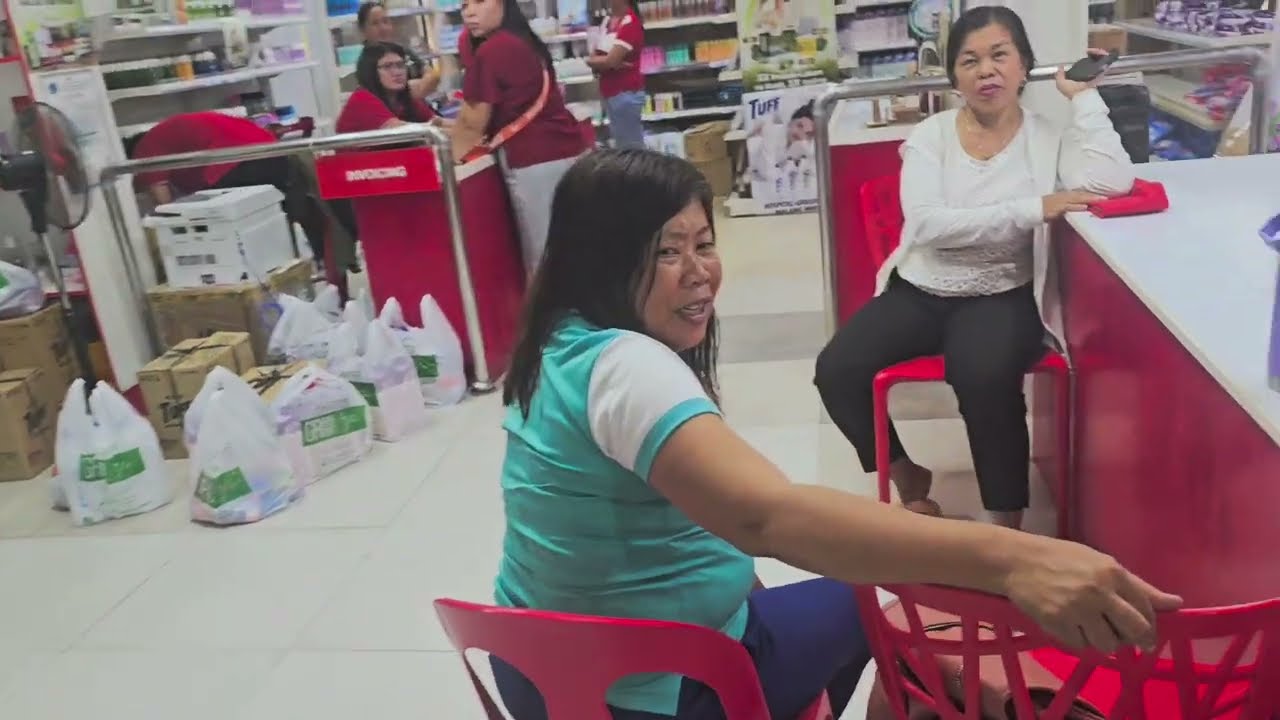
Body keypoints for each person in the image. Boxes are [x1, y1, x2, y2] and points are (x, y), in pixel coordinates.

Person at [488, 149, 1176, 720]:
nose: (700, 272)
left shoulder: (554, 346)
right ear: (604, 261)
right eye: (668, 252)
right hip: (651, 693)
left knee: (834, 605)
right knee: (860, 600)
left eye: (704, 243)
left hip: (537, 674)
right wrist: (1016, 559)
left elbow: (716, 523)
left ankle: (943, 682)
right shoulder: (628, 367)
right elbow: (768, 516)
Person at [813, 6, 1135, 530]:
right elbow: (929, 225)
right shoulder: (931, 136)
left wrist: (1085, 97)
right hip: (920, 288)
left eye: (999, 55)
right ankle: (905, 474)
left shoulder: (1047, 136)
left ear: (1023, 63)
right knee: (837, 371)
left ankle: (1005, 525)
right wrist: (1036, 207)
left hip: (1002, 292)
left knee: (984, 378)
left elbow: (1109, 182)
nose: (986, 70)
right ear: (955, 78)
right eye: (970, 61)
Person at [453, 0, 587, 277]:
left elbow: (471, 123)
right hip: (570, 152)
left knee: (544, 258)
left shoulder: (493, 49)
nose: (470, 12)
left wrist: (447, 164)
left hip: (534, 162)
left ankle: (556, 319)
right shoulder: (524, 40)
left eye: (479, 2)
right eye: (464, 5)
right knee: (577, 245)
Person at [125, 112, 334, 262]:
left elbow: (167, 207)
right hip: (270, 151)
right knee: (273, 218)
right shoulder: (170, 135)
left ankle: (255, 271)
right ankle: (308, 263)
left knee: (234, 230)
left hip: (236, 161)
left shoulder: (144, 150)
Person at [336, 42, 438, 133]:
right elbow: (400, 130)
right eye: (387, 66)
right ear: (371, 72)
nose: (397, 72)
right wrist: (439, 125)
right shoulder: (362, 98)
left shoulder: (402, 97)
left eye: (400, 65)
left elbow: (436, 121)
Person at [586, 0, 646, 149]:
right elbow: (596, 57)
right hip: (611, 93)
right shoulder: (608, 22)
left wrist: (600, 61)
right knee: (622, 145)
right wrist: (596, 61)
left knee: (631, 148)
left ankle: (638, 173)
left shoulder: (630, 23)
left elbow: (610, 61)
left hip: (625, 94)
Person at [356, 1, 441, 101]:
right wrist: (414, 87)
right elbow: (391, 96)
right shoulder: (366, 63)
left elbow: (433, 76)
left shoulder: (402, 50)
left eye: (385, 21)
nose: (383, 28)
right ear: (363, 30)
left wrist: (413, 88)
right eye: (375, 23)